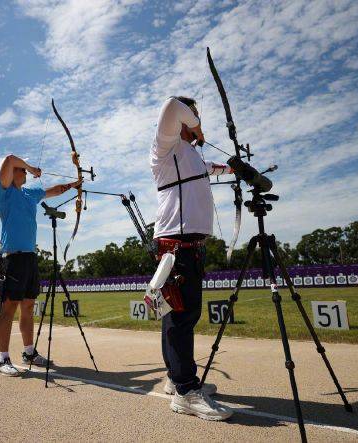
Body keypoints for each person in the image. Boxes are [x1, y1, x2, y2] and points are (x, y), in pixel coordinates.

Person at [150, 96, 235, 420]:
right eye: (193, 116)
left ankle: (177, 380)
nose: (194, 119)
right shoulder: (165, 146)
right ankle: (186, 391)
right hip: (176, 242)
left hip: (188, 242)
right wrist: (197, 127)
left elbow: (212, 169)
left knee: (176, 314)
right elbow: (173, 105)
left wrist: (234, 167)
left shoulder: (190, 157)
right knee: (181, 318)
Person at [0, 155, 81, 376]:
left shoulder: (29, 194)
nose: (24, 173)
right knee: (8, 307)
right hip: (12, 257)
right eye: (21, 171)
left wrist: (76, 184)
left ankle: (29, 352)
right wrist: (30, 167)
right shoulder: (3, 192)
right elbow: (10, 159)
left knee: (29, 307)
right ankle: (2, 359)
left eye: (23, 170)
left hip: (30, 258)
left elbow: (57, 190)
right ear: (14, 173)